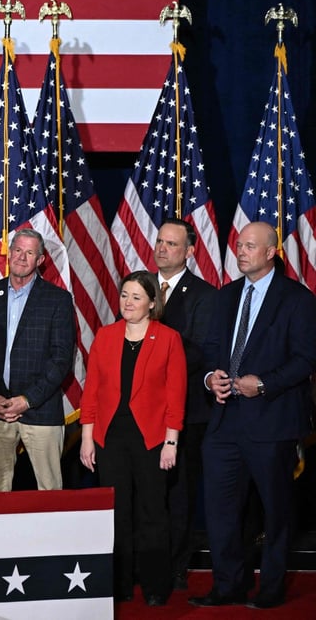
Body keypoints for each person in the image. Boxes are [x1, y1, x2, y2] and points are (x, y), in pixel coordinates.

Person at [190, 222, 316, 610]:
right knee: (221, 509)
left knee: (276, 510)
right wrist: (211, 378)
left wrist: (262, 384)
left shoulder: (297, 298)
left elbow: (306, 359)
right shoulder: (227, 295)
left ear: (270, 253)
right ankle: (228, 584)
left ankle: (272, 586)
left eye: (249, 246)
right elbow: (211, 349)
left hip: (273, 421)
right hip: (224, 422)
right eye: (239, 244)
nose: (240, 251)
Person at [80, 270, 185, 606]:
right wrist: (86, 438)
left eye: (136, 297)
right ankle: (119, 584)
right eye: (124, 295)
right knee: (116, 512)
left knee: (152, 511)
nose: (128, 302)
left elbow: (175, 395)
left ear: (152, 303)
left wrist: (171, 442)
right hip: (109, 437)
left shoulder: (168, 338)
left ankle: (155, 586)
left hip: (152, 438)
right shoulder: (105, 335)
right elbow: (92, 391)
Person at [0, 228, 75, 491]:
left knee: (50, 493)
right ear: (9, 253)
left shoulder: (58, 300)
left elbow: (61, 359)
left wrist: (27, 400)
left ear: (40, 260)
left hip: (41, 410)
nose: (21, 257)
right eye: (17, 250)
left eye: (29, 252)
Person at [152, 218, 216, 590]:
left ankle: (176, 565)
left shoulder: (204, 295)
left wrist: (147, 365)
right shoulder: (140, 287)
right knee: (148, 492)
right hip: (141, 412)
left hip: (186, 412)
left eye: (172, 244)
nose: (162, 248)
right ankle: (146, 560)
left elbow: (198, 352)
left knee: (179, 492)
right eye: (160, 241)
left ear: (190, 251)